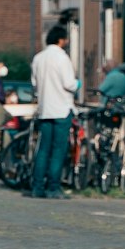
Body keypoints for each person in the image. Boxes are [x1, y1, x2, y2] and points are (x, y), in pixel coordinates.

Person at [29, 24, 78, 198]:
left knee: (43, 149)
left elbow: (35, 84)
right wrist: (78, 84)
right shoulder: (62, 58)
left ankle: (37, 186)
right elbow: (69, 84)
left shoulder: (38, 58)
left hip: (45, 109)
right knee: (58, 150)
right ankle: (53, 187)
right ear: (61, 40)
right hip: (61, 109)